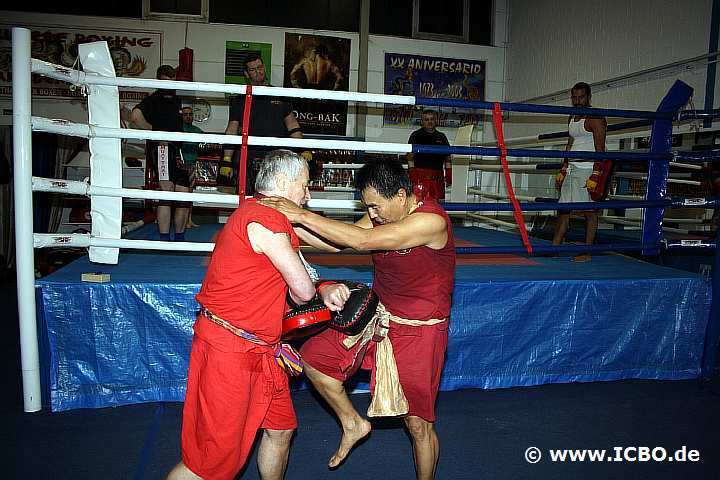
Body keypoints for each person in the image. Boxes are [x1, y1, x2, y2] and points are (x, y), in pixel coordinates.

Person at [260, 159, 456, 480]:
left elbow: (361, 242)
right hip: (376, 321)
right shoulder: (381, 214)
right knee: (315, 359)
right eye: (369, 207)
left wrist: (301, 214)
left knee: (417, 424)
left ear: (401, 197)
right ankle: (353, 423)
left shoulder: (430, 223)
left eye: (376, 207)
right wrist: (283, 228)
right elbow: (335, 242)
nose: (373, 214)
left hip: (419, 334)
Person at [166, 150, 351, 480]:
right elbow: (302, 291)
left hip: (262, 349)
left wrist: (324, 285)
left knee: (280, 429)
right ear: (282, 183)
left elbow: (302, 271)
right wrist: (318, 289)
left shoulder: (263, 215)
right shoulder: (266, 219)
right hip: (232, 350)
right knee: (210, 463)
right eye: (304, 186)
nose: (307, 195)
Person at [222, 55, 303, 196]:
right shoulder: (240, 99)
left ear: (264, 68)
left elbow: (292, 125)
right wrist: (226, 159)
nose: (258, 72)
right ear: (246, 74)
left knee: (276, 199)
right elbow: (232, 129)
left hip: (276, 159)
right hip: (249, 158)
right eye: (253, 70)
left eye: (259, 67)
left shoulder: (279, 95)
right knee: (247, 200)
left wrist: (303, 150)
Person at [129, 65, 189, 241]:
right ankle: (164, 239)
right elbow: (135, 116)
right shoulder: (154, 99)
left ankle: (179, 238)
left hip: (177, 149)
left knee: (185, 194)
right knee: (167, 192)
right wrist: (155, 134)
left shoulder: (176, 99)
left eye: (172, 80)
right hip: (162, 149)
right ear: (159, 80)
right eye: (166, 81)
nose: (170, 84)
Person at [552, 82, 608, 262]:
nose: (577, 101)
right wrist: (564, 167)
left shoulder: (595, 117)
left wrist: (596, 174)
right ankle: (555, 247)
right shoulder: (572, 116)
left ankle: (587, 252)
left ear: (588, 97)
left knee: (589, 212)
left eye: (581, 97)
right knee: (563, 210)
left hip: (587, 170)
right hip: (572, 168)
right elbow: (570, 144)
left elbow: (600, 148)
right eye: (574, 98)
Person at [406, 110, 452, 201]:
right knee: (419, 203)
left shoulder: (441, 137)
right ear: (422, 122)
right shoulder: (416, 135)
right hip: (420, 176)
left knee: (437, 205)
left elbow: (447, 158)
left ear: (436, 121)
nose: (430, 122)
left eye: (432, 119)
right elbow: (410, 156)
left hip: (437, 177)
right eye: (426, 119)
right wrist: (412, 172)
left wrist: (449, 174)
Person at [180, 106, 204, 228]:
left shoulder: (198, 131)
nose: (188, 116)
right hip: (179, 165)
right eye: (185, 114)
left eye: (190, 114)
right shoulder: (178, 129)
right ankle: (180, 221)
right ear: (181, 116)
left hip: (192, 165)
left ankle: (188, 219)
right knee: (179, 195)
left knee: (190, 193)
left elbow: (206, 146)